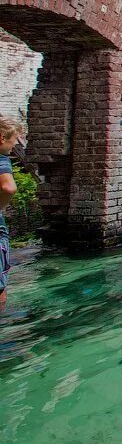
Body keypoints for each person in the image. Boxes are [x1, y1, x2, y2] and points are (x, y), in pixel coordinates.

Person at [0, 117, 24, 310]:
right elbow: (9, 188)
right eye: (15, 138)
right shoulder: (1, 158)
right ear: (2, 138)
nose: (16, 143)